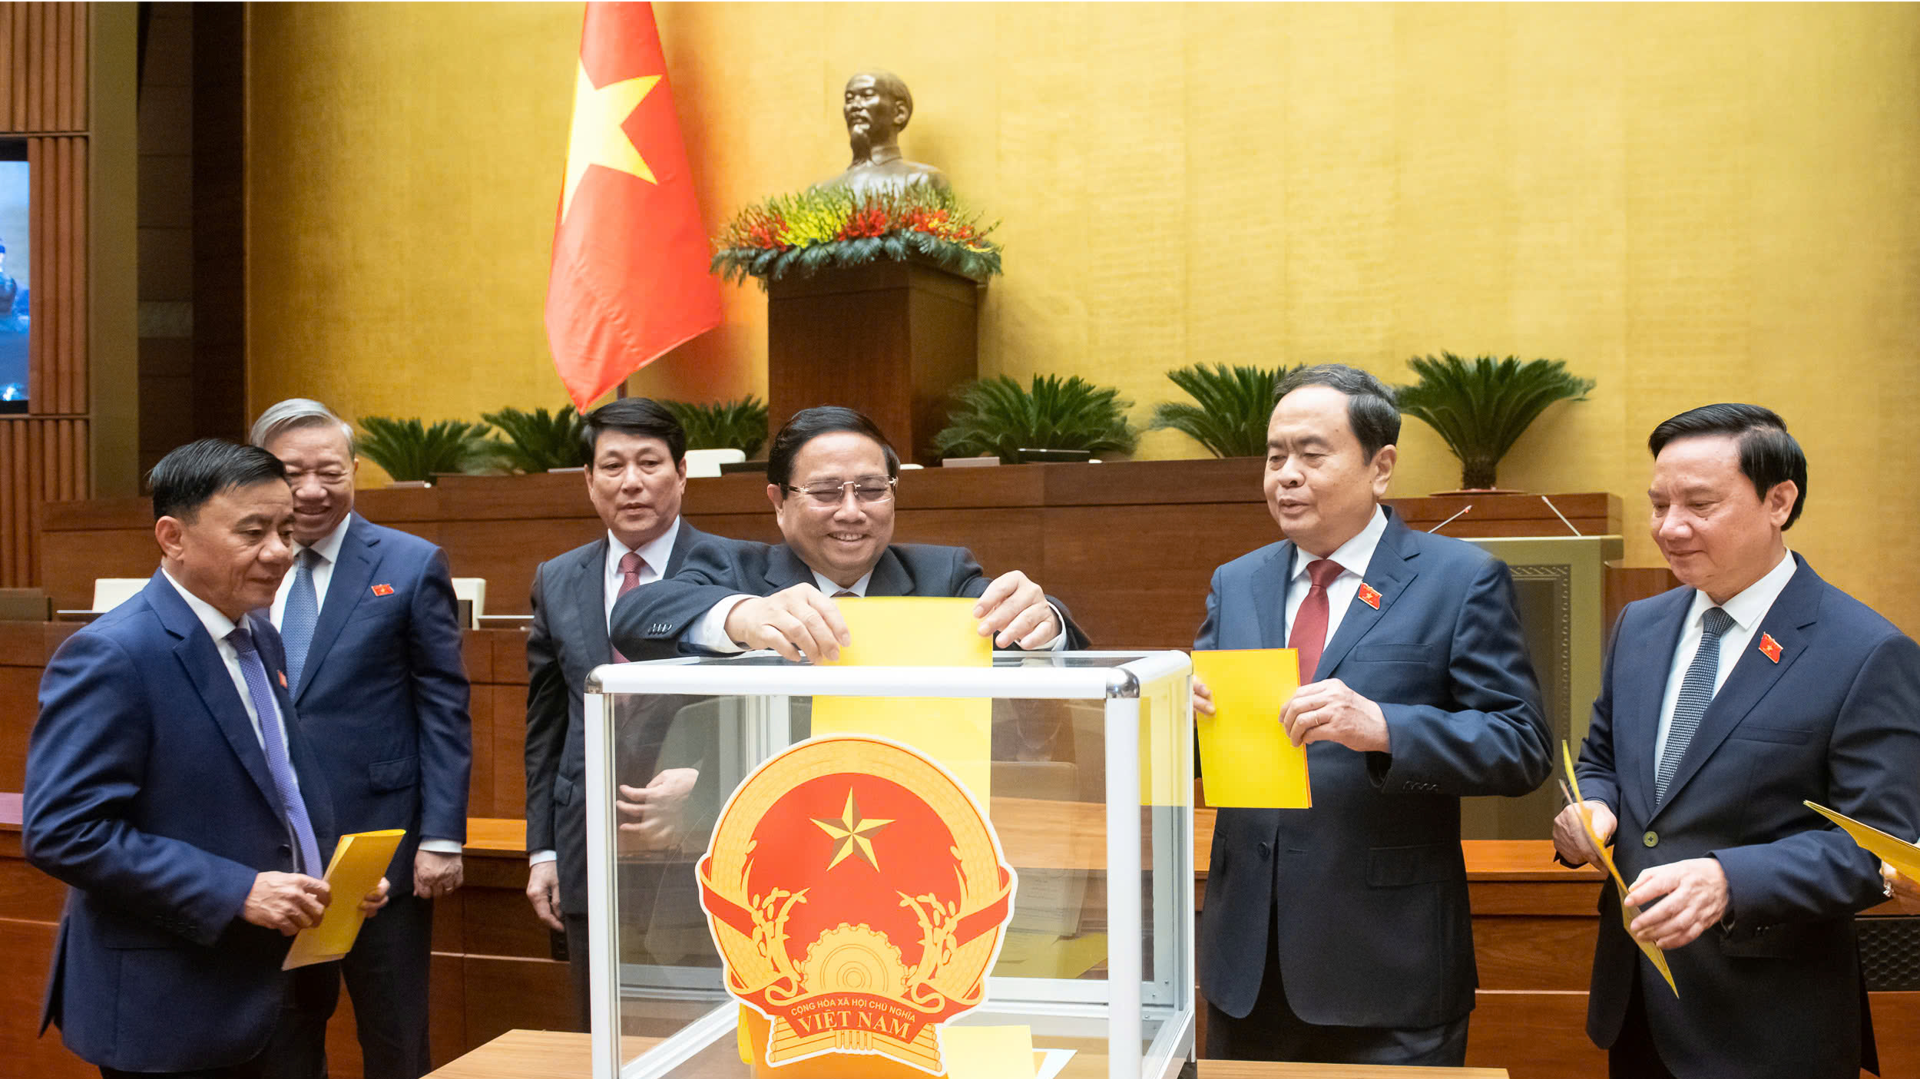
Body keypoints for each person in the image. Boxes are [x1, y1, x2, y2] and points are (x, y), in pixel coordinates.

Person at [1193, 364, 1550, 1066]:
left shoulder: (1460, 579)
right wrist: (1179, 717)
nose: (1286, 475)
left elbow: (1521, 744)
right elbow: (1204, 744)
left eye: (1311, 454)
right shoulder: (1237, 581)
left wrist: (1386, 728)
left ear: (1380, 466)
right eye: (1274, 456)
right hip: (1249, 969)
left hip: (1389, 966)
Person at [1552, 404, 1920, 1079]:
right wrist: (1592, 809)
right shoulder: (1640, 625)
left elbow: (1879, 846)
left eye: (1700, 504)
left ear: (1779, 502)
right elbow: (1602, 758)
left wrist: (1729, 878)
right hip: (1637, 1003)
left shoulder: (1866, 652)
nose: (1670, 527)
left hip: (1771, 1024)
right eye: (1658, 504)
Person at [24, 439, 389, 1079]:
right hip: (175, 1004)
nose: (279, 552)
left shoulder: (260, 635)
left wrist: (329, 875)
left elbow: (275, 784)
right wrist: (237, 890)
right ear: (173, 537)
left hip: (285, 988)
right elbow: (64, 831)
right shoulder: (113, 654)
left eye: (285, 531)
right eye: (253, 532)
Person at [249, 399, 471, 1079]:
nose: (312, 490)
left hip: (380, 849)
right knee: (284, 1039)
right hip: (276, 853)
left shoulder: (409, 562)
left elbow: (444, 705)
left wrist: (441, 836)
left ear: (353, 471)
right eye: (292, 473)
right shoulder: (243, 566)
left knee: (395, 1038)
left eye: (330, 471)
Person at [522, 397, 722, 1025]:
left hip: (698, 845)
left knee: (706, 1032)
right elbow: (546, 727)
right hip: (588, 845)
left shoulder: (732, 568)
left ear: (682, 473)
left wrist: (706, 784)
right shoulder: (557, 578)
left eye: (649, 463)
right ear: (589, 480)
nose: (631, 482)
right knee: (601, 1028)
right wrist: (544, 851)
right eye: (612, 466)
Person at [609, 405, 1088, 663]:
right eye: (825, 492)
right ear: (778, 501)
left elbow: (1041, 627)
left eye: (872, 490)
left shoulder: (942, 576)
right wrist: (744, 615)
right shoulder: (735, 570)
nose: (852, 512)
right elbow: (633, 618)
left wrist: (1046, 623)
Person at [819, 69, 950, 194]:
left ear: (899, 112)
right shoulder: (822, 191)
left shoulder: (923, 181)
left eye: (867, 95)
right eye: (849, 99)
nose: (854, 105)